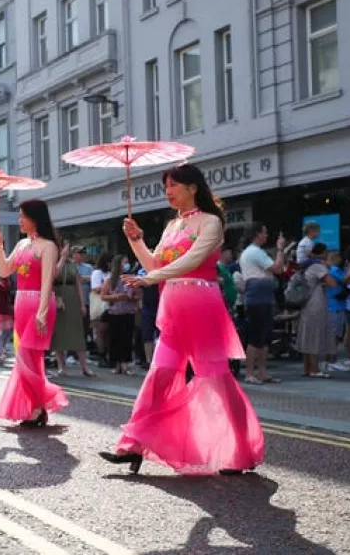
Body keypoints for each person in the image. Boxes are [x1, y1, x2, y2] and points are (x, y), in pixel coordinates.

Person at [99, 163, 264, 475]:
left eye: (174, 185)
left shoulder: (211, 221)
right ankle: (132, 445)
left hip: (202, 306)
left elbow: (193, 260)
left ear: (193, 187)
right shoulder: (173, 226)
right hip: (173, 307)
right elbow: (153, 261)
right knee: (159, 375)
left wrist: (152, 277)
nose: (168, 192)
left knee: (215, 380)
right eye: (166, 187)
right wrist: (136, 241)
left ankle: (241, 449)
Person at [0, 200, 68, 427]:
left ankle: (44, 399)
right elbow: (4, 270)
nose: (19, 220)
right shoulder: (22, 244)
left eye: (22, 216)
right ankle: (37, 408)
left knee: (26, 356)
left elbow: (47, 282)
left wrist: (42, 313)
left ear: (35, 218)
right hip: (21, 305)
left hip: (38, 306)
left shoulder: (49, 247)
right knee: (29, 359)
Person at [238, 223, 287, 384]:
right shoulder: (255, 252)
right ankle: (251, 373)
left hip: (262, 297)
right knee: (256, 337)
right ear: (257, 234)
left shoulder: (251, 252)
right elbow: (278, 268)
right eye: (265, 232)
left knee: (264, 337)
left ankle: (262, 372)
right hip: (258, 298)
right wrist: (280, 248)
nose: (267, 236)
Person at [296, 243, 338, 378]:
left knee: (307, 335)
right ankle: (315, 369)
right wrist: (329, 267)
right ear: (323, 253)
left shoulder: (307, 265)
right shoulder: (318, 266)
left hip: (306, 304)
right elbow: (332, 283)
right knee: (315, 335)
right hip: (316, 303)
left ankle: (307, 368)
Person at [51, 240, 92, 378]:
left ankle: (84, 367)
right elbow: (53, 277)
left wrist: (82, 304)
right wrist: (61, 258)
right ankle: (61, 367)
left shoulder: (73, 265)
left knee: (77, 333)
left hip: (73, 300)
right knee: (59, 334)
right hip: (58, 299)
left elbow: (78, 284)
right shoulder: (52, 262)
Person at [102, 254, 140, 375]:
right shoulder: (110, 279)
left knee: (127, 339)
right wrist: (116, 296)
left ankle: (125, 365)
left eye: (127, 262)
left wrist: (132, 297)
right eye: (124, 262)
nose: (126, 264)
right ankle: (117, 364)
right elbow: (104, 295)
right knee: (115, 339)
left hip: (128, 312)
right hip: (115, 312)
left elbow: (138, 295)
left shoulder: (131, 278)